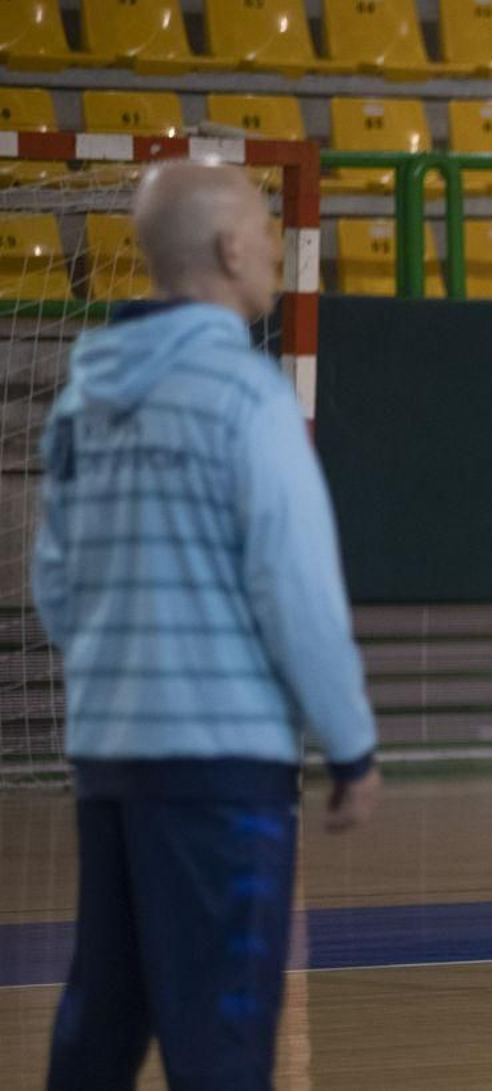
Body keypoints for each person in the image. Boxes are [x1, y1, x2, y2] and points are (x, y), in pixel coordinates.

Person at [31, 161, 382, 1089]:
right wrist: (349, 743)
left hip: (108, 756)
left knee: (101, 1023)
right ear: (230, 249)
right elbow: (295, 587)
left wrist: (125, 676)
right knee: (221, 1039)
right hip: (222, 769)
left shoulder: (83, 397)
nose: (273, 245)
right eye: (265, 230)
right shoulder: (246, 396)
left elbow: (55, 581)